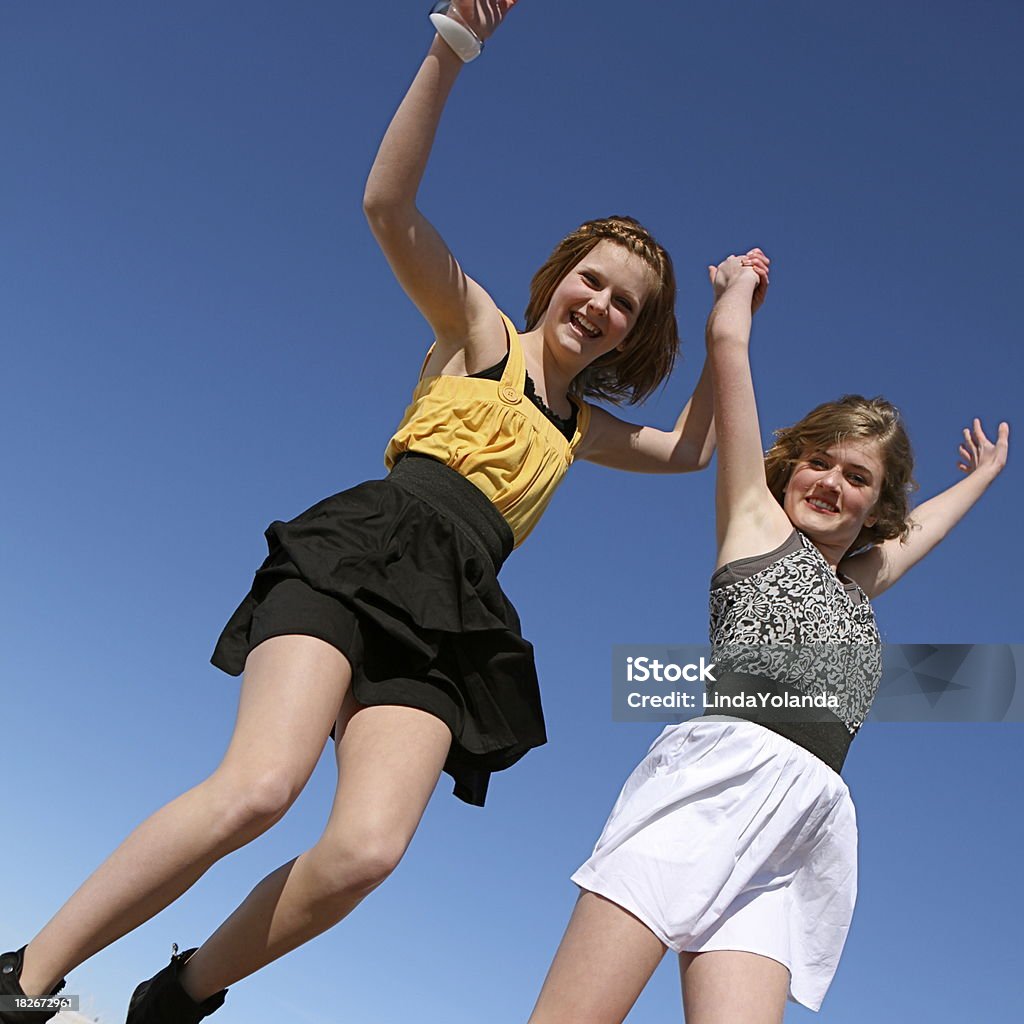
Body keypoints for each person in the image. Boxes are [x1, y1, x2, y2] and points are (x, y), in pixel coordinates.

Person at [0, 5, 719, 1023]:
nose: (599, 303)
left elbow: (693, 451)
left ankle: (178, 992)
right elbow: (388, 204)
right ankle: (23, 977)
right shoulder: (478, 331)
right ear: (558, 279)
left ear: (632, 336)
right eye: (590, 279)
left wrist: (729, 330)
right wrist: (448, 53)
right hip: (366, 548)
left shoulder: (580, 429)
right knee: (259, 788)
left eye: (625, 304)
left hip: (458, 611)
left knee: (366, 850)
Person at [525, 251, 1010, 1023]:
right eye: (819, 462)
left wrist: (983, 478)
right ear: (789, 469)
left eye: (857, 478)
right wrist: (737, 296)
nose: (831, 483)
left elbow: (924, 532)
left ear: (873, 510)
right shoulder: (755, 527)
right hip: (707, 789)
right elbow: (732, 361)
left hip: (799, 827)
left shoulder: (860, 585)